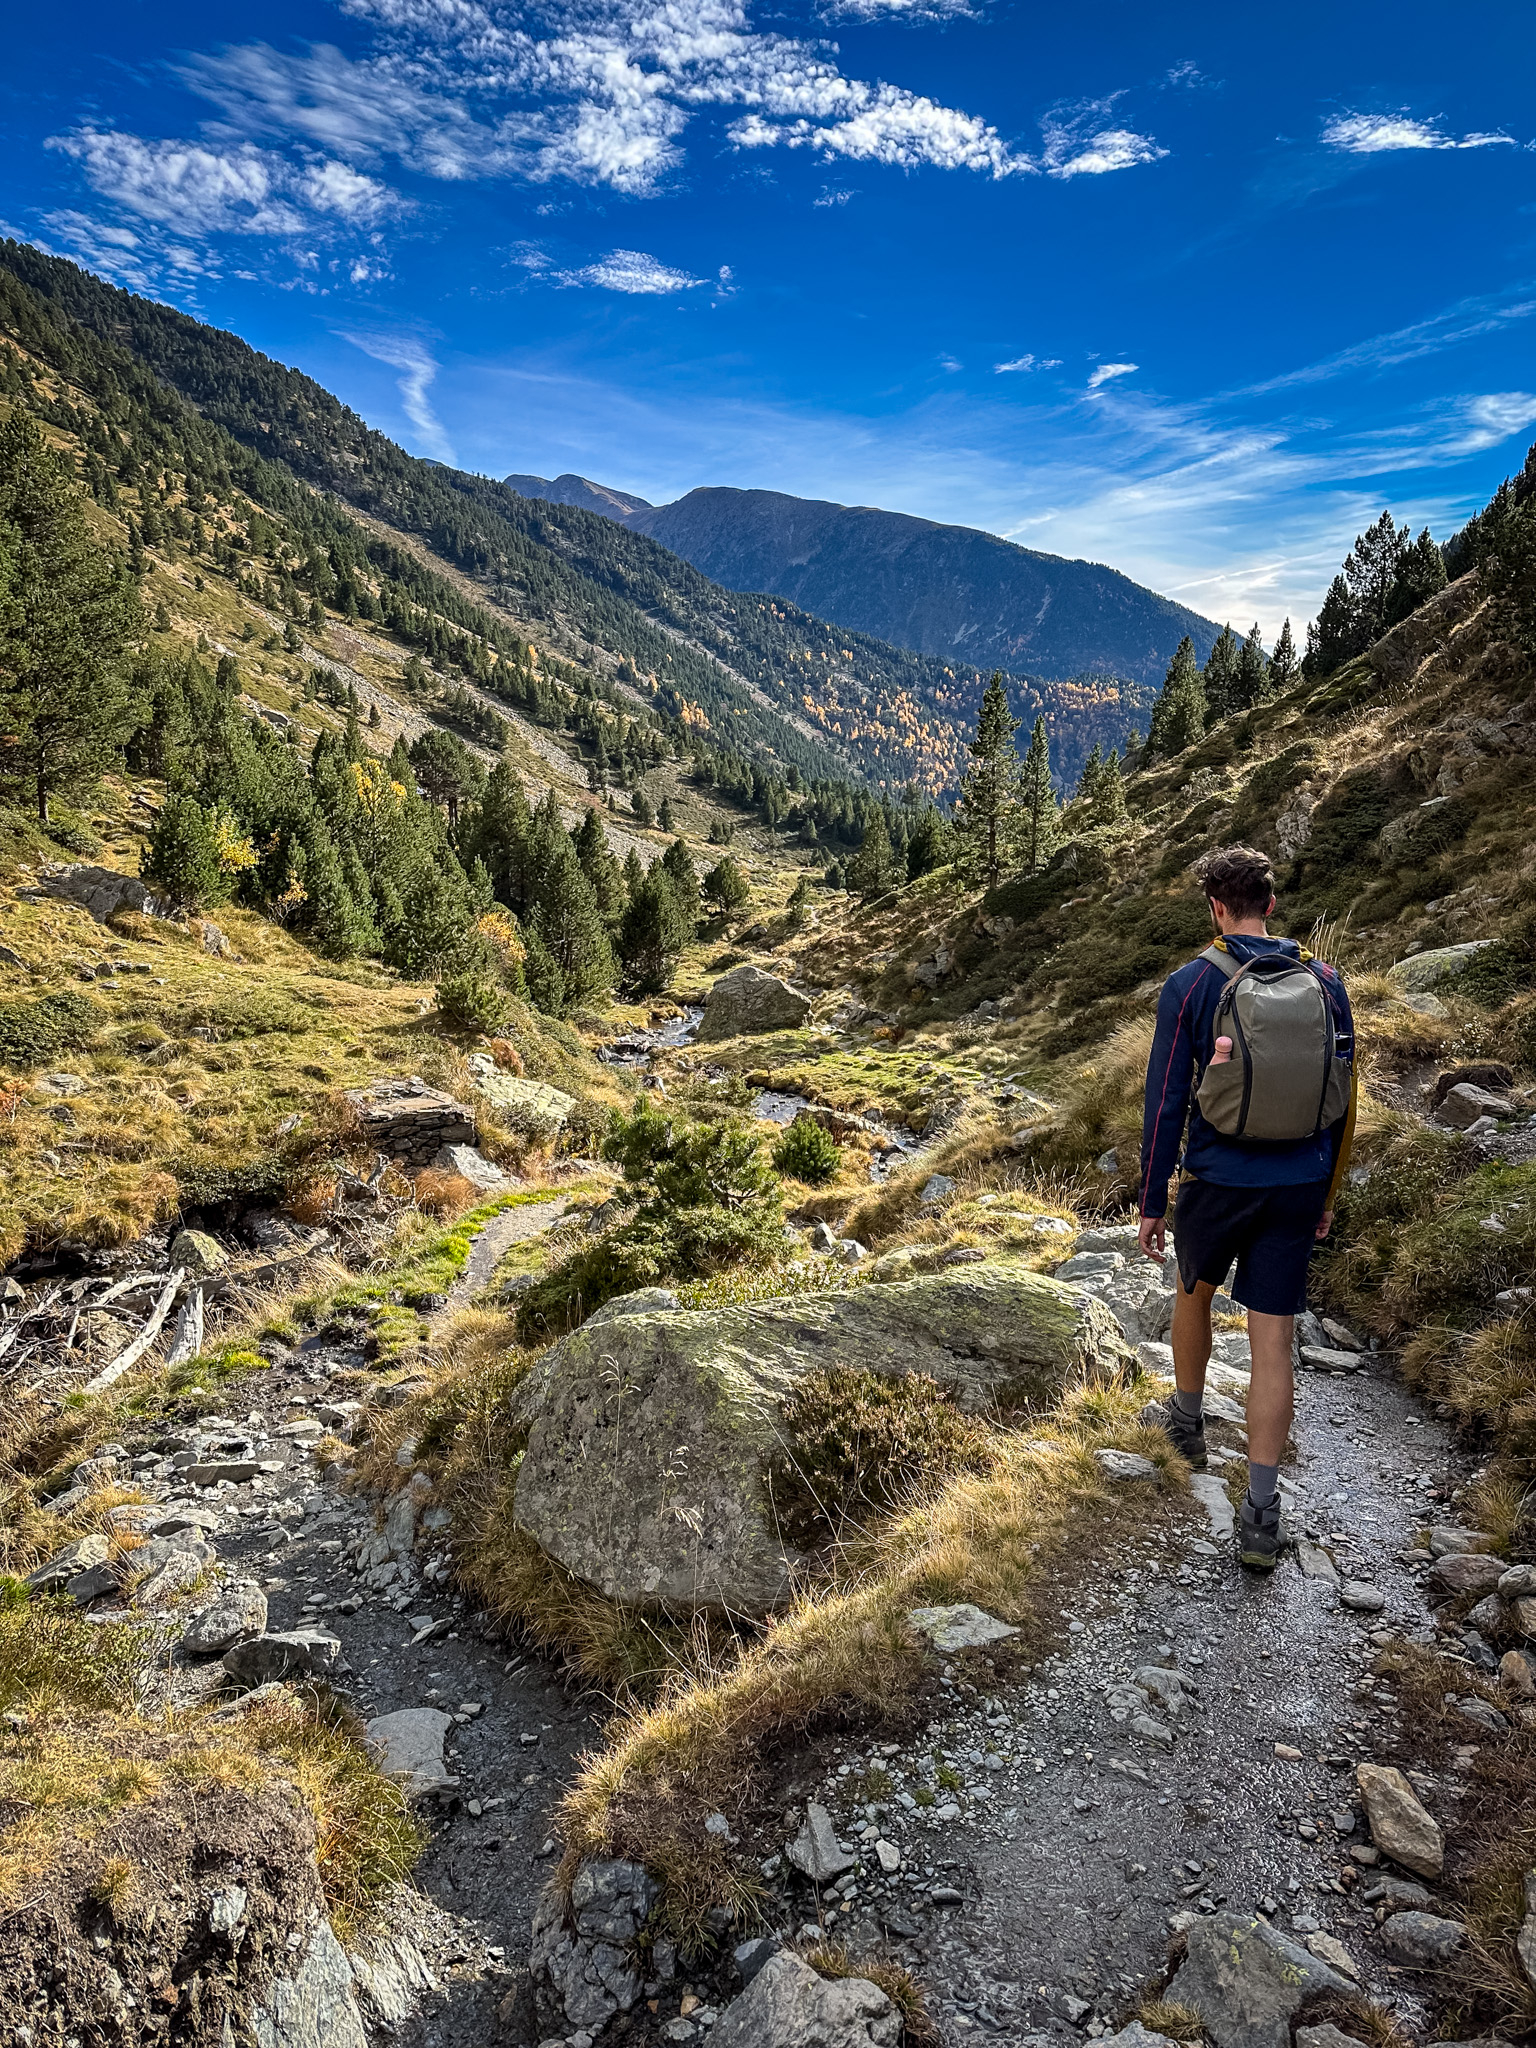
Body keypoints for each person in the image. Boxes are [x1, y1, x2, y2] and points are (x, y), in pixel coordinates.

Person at [1137, 845, 1357, 1570]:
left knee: (1191, 1293)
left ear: (1217, 909)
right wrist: (1324, 1191)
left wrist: (1152, 1200)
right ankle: (1261, 1514)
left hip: (1217, 1180)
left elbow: (1167, 1098)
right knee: (1272, 1341)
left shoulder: (1192, 983)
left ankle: (1189, 1424)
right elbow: (1342, 1099)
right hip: (1299, 1181)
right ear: (1270, 903)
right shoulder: (1325, 982)